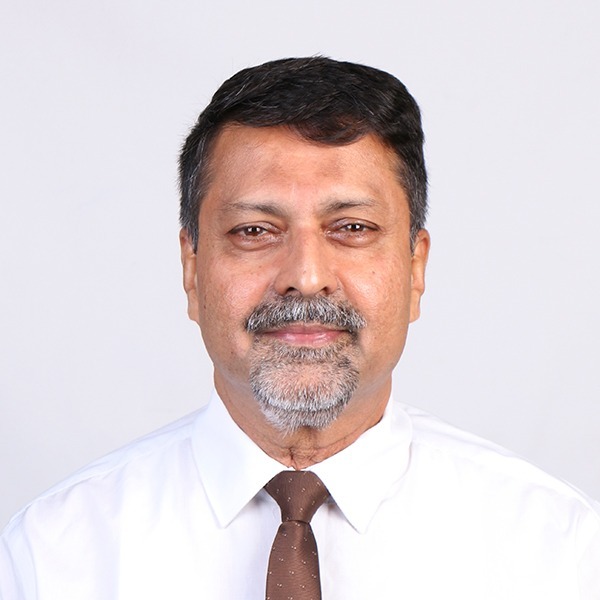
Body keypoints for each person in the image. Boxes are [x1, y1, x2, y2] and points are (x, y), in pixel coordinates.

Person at [1, 56, 598, 599]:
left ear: (415, 268)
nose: (306, 278)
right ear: (192, 268)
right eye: (254, 231)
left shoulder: (559, 551)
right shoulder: (50, 556)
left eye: (353, 228)